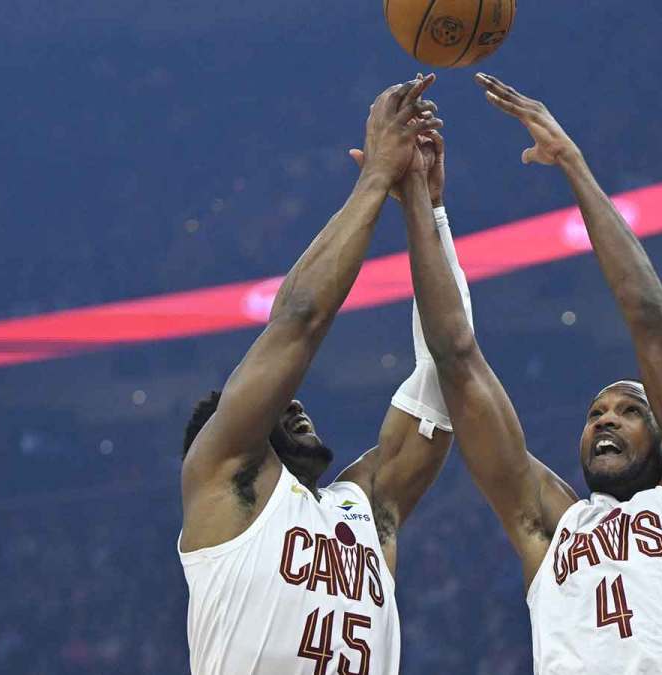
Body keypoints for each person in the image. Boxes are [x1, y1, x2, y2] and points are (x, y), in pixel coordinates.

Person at [400, 72, 662, 674]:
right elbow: (456, 359)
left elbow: (649, 316)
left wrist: (572, 163)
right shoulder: (552, 527)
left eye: (630, 410)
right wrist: (424, 206)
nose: (605, 420)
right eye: (596, 413)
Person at [178, 74, 468, 675]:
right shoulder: (224, 480)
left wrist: (425, 205)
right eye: (273, 408)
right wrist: (375, 178)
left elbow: (450, 371)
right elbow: (299, 320)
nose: (293, 404)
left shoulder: (366, 506)